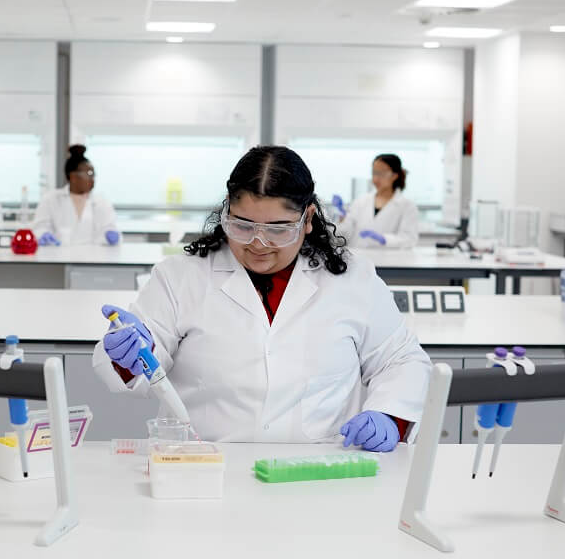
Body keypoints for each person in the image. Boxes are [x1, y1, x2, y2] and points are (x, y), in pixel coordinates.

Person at [92, 146, 430, 450]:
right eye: (242, 225)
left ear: (307, 219)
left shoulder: (352, 279)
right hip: (204, 467)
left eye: (278, 229)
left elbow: (401, 360)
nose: (258, 242)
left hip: (320, 472)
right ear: (225, 213)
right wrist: (131, 351)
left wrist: (389, 414)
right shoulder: (181, 276)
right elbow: (141, 357)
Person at [33, 144, 120, 246]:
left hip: (94, 257)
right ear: (73, 176)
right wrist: (43, 234)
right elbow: (39, 228)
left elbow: (110, 227)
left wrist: (111, 233)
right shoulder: (50, 199)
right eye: (89, 173)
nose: (93, 178)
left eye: (93, 174)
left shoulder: (101, 201)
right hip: (60, 256)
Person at [335, 153, 419, 249]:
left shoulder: (407, 206)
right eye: (374, 173)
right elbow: (345, 233)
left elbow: (409, 239)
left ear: (395, 175)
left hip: (388, 260)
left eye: (381, 173)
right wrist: (342, 219)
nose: (375, 179)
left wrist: (384, 239)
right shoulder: (361, 201)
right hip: (358, 257)